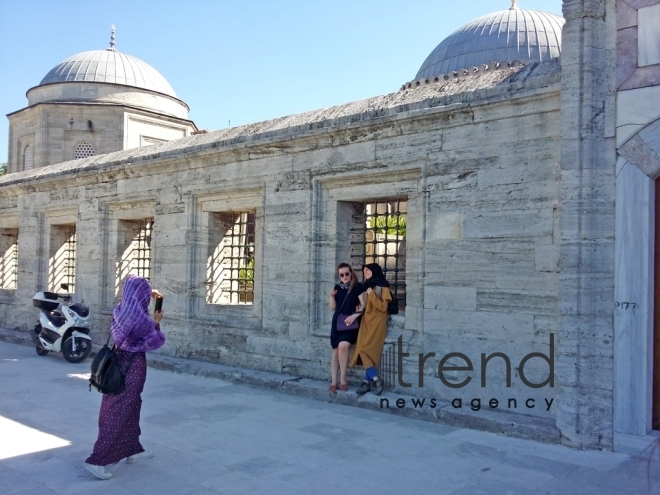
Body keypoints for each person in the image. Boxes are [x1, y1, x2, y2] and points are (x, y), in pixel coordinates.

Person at [84, 275, 165, 480]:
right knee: (118, 410)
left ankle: (133, 449)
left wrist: (147, 293)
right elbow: (155, 342)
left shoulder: (120, 310)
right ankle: (98, 459)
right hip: (133, 366)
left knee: (130, 406)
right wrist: (156, 323)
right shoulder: (142, 321)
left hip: (119, 362)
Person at [349, 263, 392, 396]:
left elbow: (383, 307)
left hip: (377, 322)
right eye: (364, 270)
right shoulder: (366, 286)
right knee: (363, 349)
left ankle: (369, 380)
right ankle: (371, 380)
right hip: (366, 322)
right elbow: (366, 305)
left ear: (374, 271)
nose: (366, 272)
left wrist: (371, 294)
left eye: (368, 270)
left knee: (365, 350)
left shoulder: (382, 286)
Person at [328, 263, 365, 392]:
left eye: (346, 274)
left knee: (343, 346)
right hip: (338, 322)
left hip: (350, 322)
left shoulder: (357, 287)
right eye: (341, 274)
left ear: (351, 273)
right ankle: (334, 381)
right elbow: (332, 308)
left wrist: (354, 316)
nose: (344, 276)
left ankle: (343, 378)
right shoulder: (337, 287)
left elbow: (363, 305)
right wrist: (332, 296)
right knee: (336, 350)